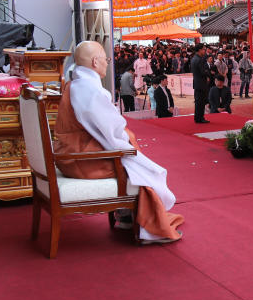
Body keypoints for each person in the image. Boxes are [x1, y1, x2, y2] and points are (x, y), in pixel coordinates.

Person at [54, 41, 183, 244]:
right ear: (95, 62)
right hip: (82, 161)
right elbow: (114, 134)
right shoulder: (91, 91)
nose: (107, 63)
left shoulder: (74, 84)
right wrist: (130, 143)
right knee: (138, 171)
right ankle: (149, 228)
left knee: (133, 159)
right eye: (105, 59)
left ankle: (125, 217)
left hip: (68, 154)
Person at [191, 45, 212, 124]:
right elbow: (203, 72)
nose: (205, 50)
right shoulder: (199, 60)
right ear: (200, 50)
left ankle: (198, 117)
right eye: (204, 49)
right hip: (201, 83)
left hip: (197, 82)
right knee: (201, 101)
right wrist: (208, 72)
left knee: (198, 101)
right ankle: (200, 117)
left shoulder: (194, 58)